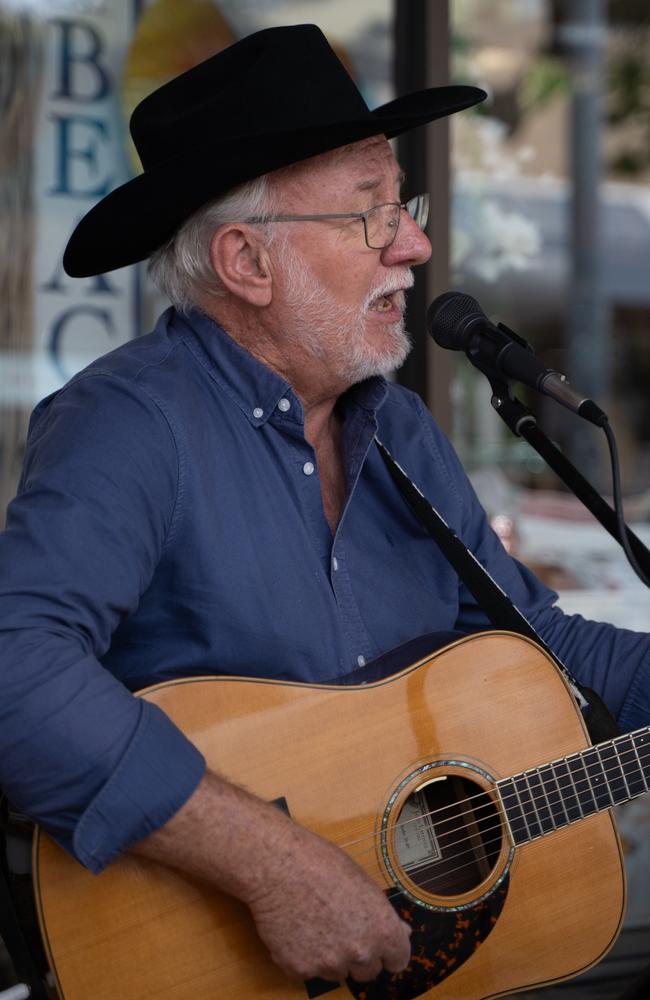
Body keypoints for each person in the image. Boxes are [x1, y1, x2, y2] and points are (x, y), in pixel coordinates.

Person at [1, 22, 649, 988]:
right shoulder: (130, 426)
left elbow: (538, 646)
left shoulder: (401, 432)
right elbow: (14, 667)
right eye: (371, 215)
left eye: (406, 205)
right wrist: (273, 862)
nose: (418, 245)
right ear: (246, 263)